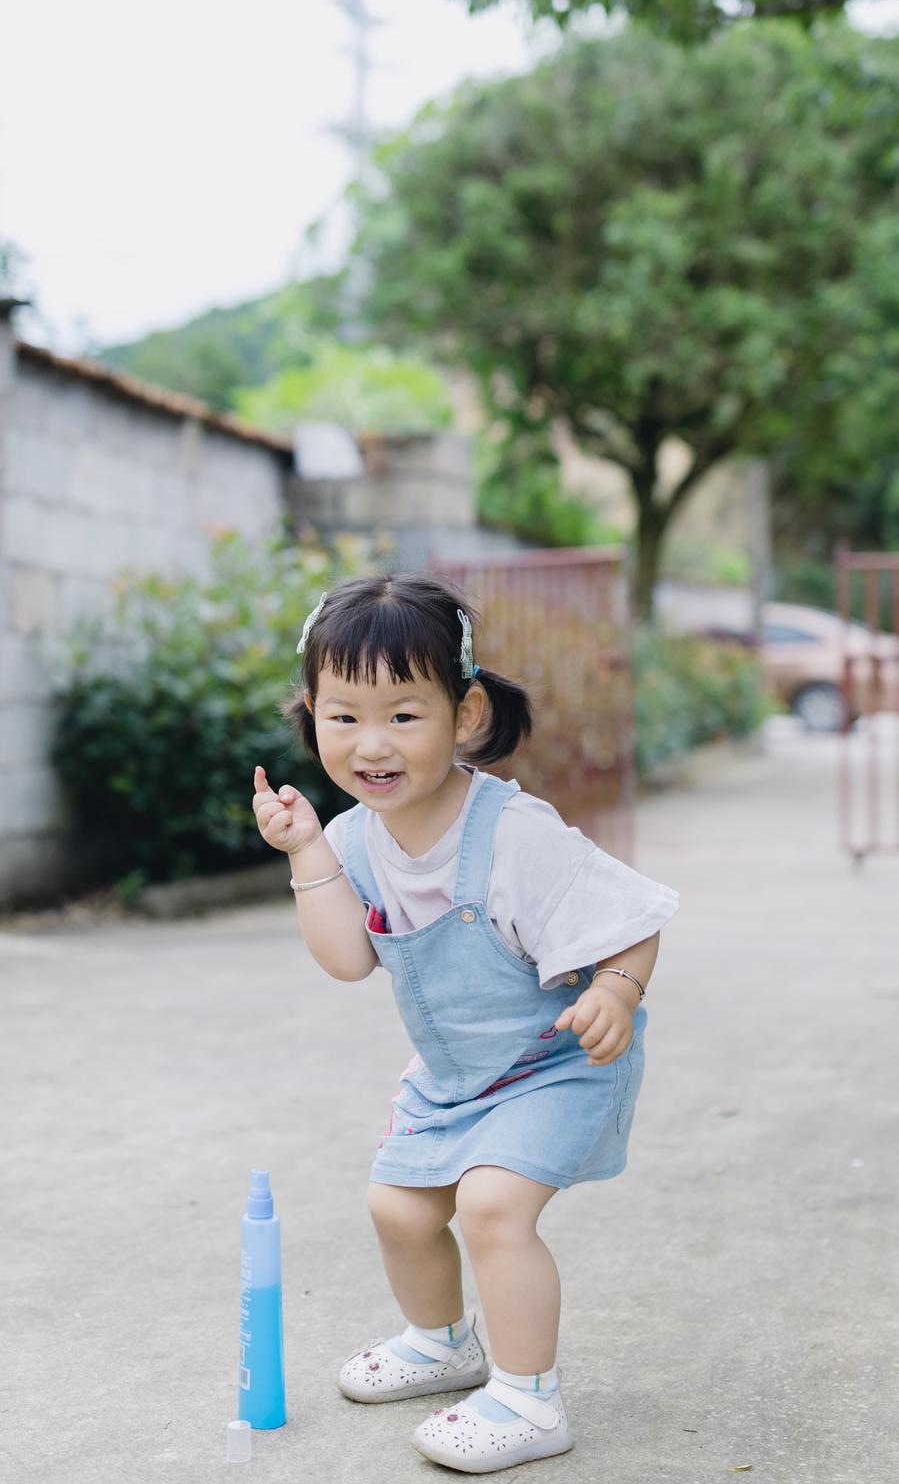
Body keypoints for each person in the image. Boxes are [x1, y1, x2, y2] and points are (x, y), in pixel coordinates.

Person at [251, 570, 678, 1473]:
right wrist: (307, 852)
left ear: (466, 713)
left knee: (489, 1207)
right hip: (455, 1077)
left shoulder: (515, 833)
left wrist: (616, 990)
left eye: (404, 715)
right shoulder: (354, 838)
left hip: (558, 1063)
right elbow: (347, 959)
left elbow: (631, 919)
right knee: (398, 1207)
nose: (373, 743)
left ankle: (528, 1398)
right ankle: (441, 1343)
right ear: (312, 714)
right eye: (344, 716)